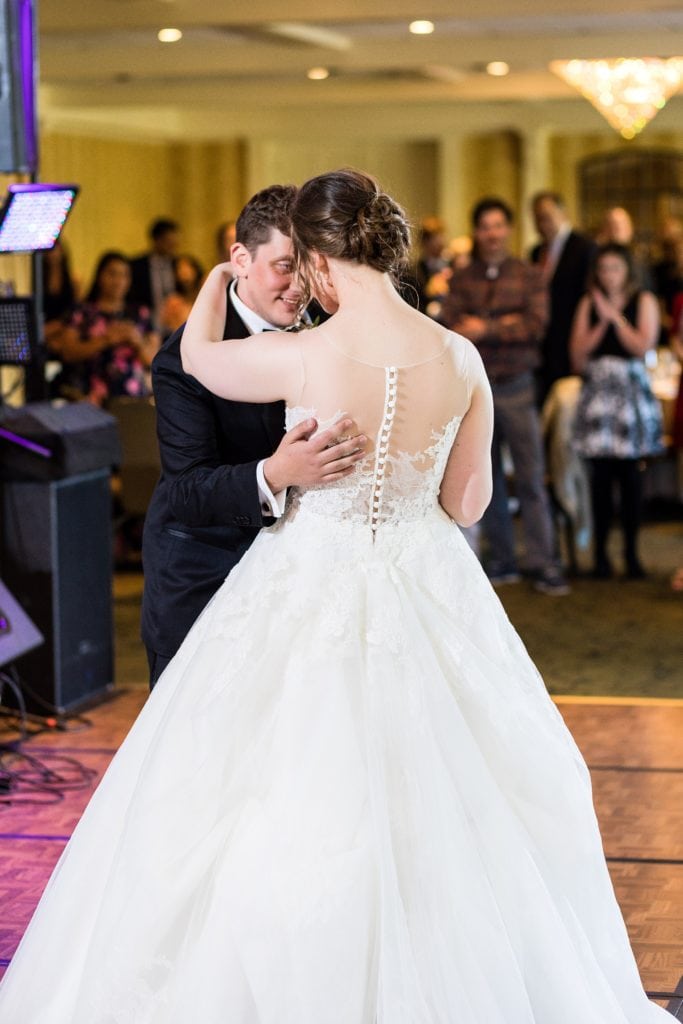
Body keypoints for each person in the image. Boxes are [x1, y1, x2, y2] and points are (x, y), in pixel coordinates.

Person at [0, 170, 671, 1023]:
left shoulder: (306, 353)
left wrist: (216, 280)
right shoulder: (459, 355)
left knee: (267, 790)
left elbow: (201, 356)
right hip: (425, 582)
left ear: (318, 263)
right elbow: (466, 504)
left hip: (306, 579)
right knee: (451, 789)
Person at [141, 184, 365, 686]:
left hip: (303, 579)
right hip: (205, 569)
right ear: (241, 258)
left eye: (309, 268)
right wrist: (277, 473)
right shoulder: (185, 361)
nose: (298, 286)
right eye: (286, 265)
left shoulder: (328, 332)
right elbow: (186, 490)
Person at [442, 196, 569, 595]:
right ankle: (502, 559)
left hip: (518, 387)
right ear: (476, 232)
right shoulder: (462, 279)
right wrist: (498, 324)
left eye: (498, 226)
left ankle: (544, 561)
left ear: (509, 230)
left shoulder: (529, 275)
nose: (492, 233)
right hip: (477, 392)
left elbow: (535, 324)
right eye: (485, 227)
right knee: (487, 476)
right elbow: (452, 325)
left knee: (531, 477)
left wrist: (487, 328)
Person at [570, 243, 662, 579]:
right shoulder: (587, 303)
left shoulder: (644, 301)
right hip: (598, 395)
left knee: (632, 480)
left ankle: (632, 553)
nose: (609, 275)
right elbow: (577, 356)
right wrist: (600, 321)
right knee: (600, 481)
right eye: (604, 268)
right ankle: (600, 556)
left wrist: (615, 319)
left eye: (616, 268)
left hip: (630, 394)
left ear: (627, 271)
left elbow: (642, 346)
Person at [47, 250, 159, 405]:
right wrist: (106, 339)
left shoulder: (141, 313)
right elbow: (68, 352)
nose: (118, 281)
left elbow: (154, 361)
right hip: (87, 397)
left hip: (131, 398)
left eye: (124, 275)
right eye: (112, 274)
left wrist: (136, 340)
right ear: (100, 276)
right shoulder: (81, 312)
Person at [529, 191, 597, 403]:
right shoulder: (535, 252)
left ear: (563, 213)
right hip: (543, 346)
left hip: (571, 337)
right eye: (538, 218)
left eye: (547, 216)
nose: (542, 223)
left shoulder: (584, 248)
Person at [128, 217, 181, 331]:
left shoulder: (178, 264)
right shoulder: (136, 266)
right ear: (156, 240)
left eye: (174, 242)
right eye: (168, 242)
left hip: (175, 326)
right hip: (146, 325)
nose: (173, 246)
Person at [159, 252, 205, 336]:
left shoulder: (206, 299)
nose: (184, 272)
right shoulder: (172, 303)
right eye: (179, 269)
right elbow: (167, 329)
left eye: (187, 268)